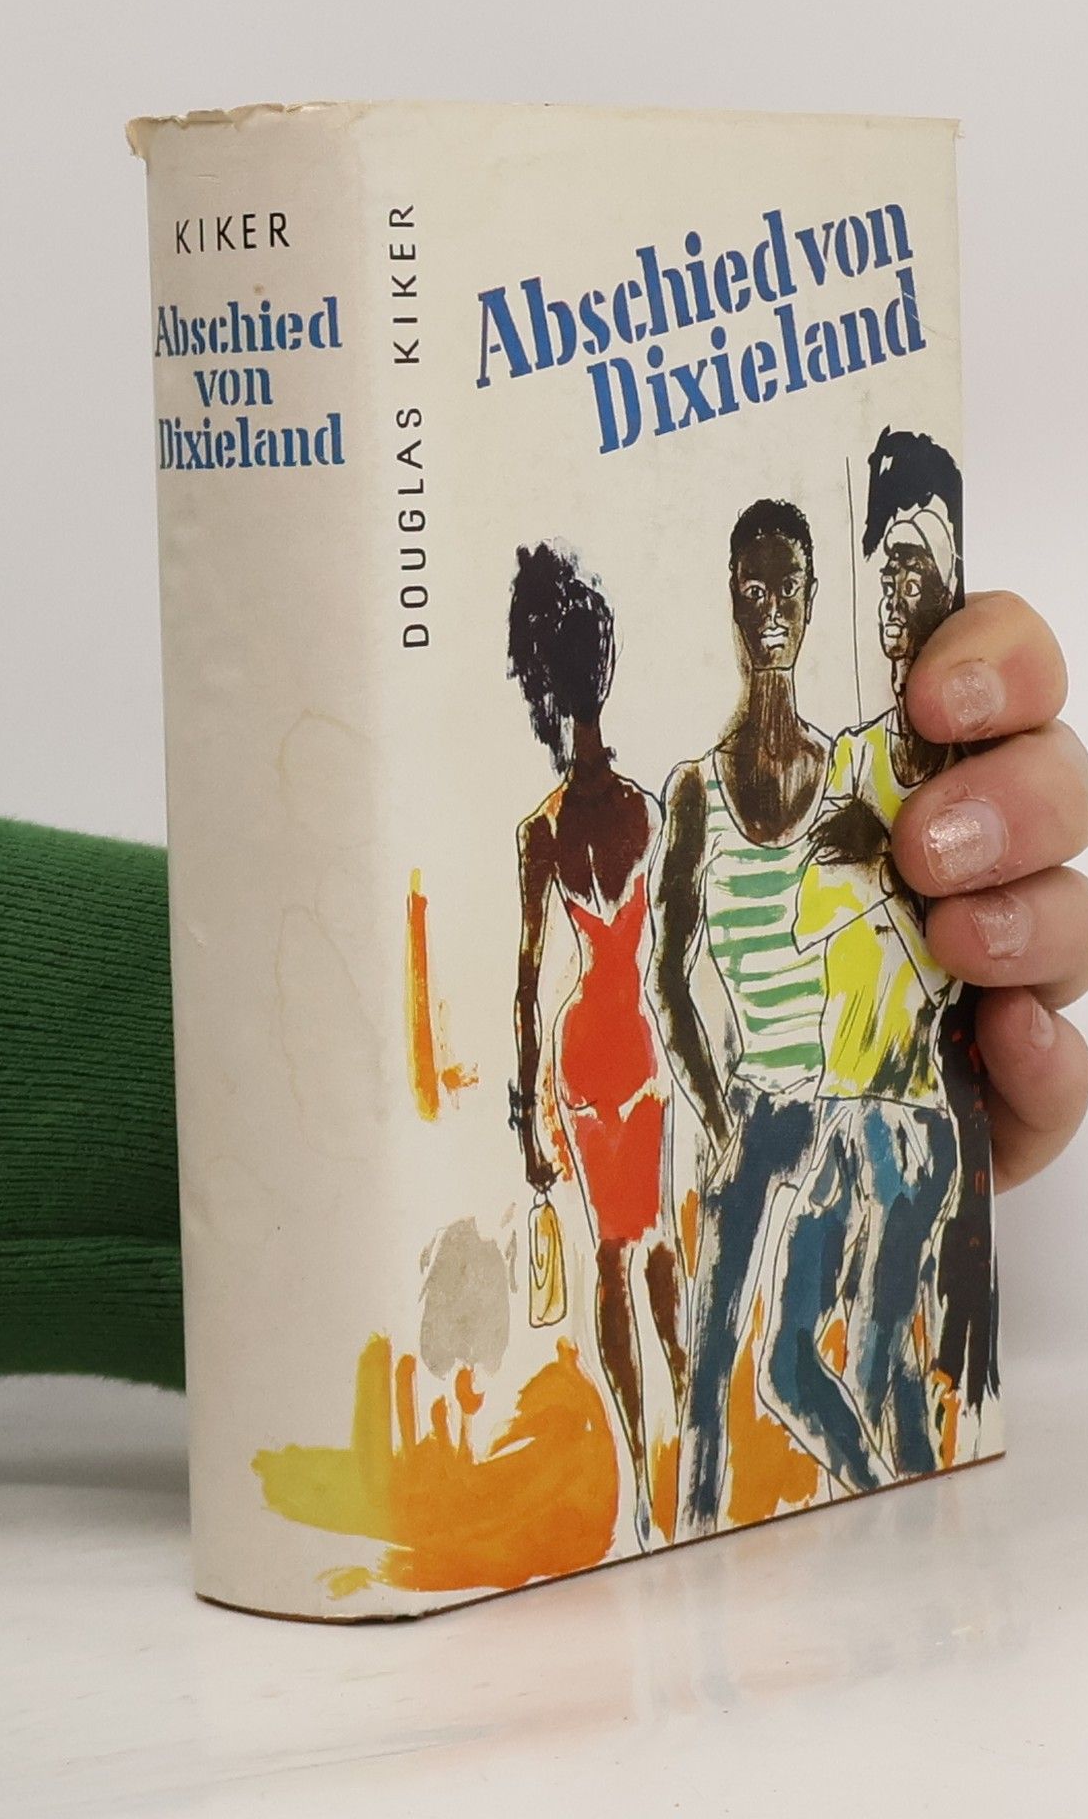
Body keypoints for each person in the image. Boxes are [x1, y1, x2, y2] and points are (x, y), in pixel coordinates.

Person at [0, 603, 1088, 1413]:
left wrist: (858, 1038)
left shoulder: (709, 799)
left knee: (668, 1300)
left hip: (686, 1101)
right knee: (638, 1303)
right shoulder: (607, 822)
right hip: (587, 1092)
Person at [762, 429, 972, 1488]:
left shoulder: (960, 780)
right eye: (885, 565)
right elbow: (807, 915)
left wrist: (878, 862)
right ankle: (883, 1499)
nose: (893, 586)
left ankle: (919, 1523)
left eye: (914, 567)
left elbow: (944, 961)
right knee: (788, 1364)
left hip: (911, 1117)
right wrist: (890, 879)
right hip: (845, 1107)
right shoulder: (851, 758)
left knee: (884, 1364)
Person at [652, 499, 834, 1537]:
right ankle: (697, 1537)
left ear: (811, 601)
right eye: (752, 590)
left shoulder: (844, 779)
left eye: (787, 589)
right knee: (712, 1360)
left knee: (812, 1356)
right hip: (754, 1110)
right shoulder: (696, 794)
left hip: (845, 1105)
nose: (771, 610)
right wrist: (719, 1117)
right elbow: (668, 978)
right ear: (732, 602)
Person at [507, 544, 687, 1545]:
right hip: (617, 1054)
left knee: (631, 1254)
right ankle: (665, 1463)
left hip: (603, 1056)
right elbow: (536, 982)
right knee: (639, 1251)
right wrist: (528, 1116)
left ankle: (665, 1468)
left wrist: (527, 1113)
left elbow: (529, 986)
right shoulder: (636, 812)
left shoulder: (559, 828)